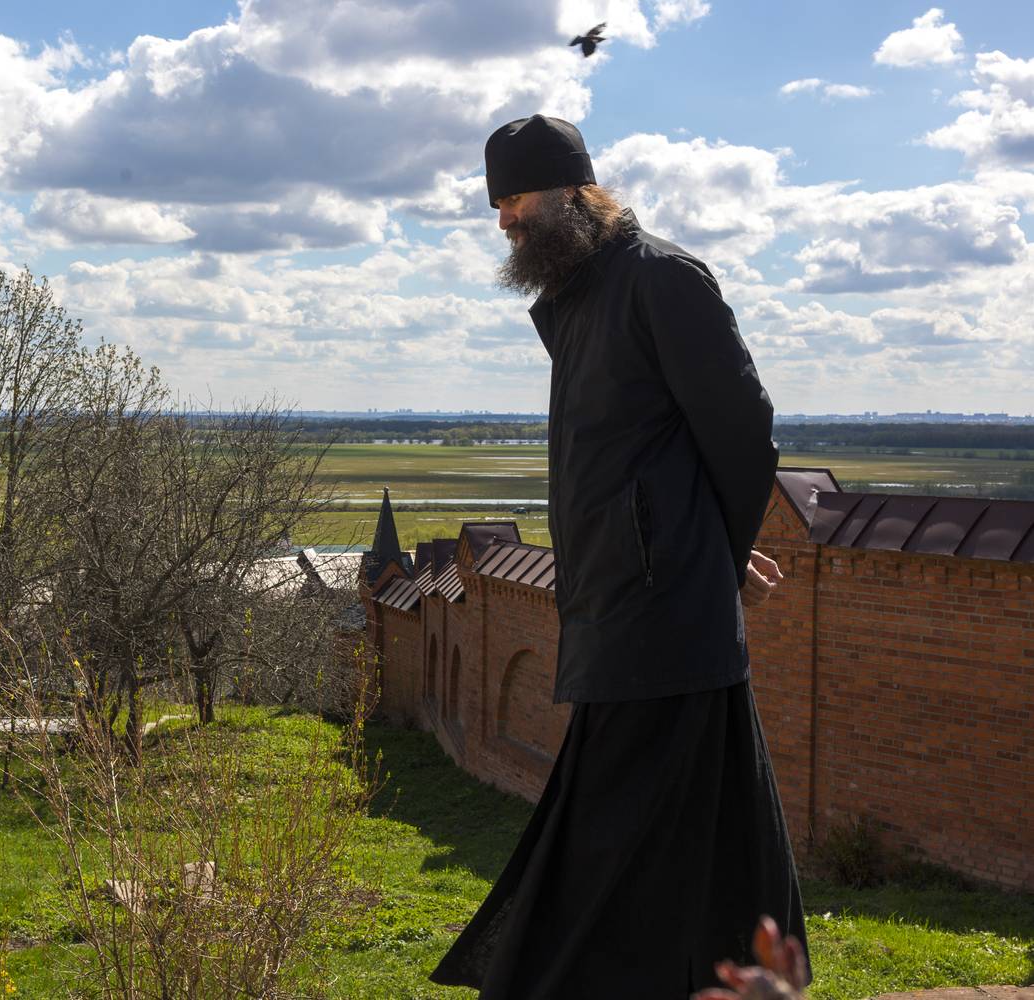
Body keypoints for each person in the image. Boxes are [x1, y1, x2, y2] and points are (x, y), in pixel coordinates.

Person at [428, 115, 809, 999]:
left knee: (607, 837)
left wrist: (720, 556)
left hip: (659, 615)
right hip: (624, 608)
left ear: (572, 190)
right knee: (699, 829)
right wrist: (712, 558)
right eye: (496, 203)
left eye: (514, 198)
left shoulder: (660, 279)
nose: (504, 219)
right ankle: (740, 980)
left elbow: (742, 432)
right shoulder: (579, 298)